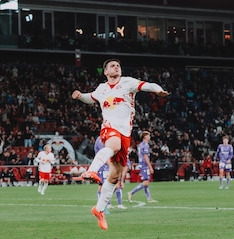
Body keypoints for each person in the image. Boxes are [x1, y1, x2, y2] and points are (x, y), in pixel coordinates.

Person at [71, 58, 169, 230]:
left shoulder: (128, 82)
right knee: (113, 145)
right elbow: (90, 98)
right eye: (112, 66)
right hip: (109, 128)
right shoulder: (102, 89)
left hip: (126, 133)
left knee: (115, 175)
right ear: (106, 72)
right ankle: (92, 171)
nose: (116, 67)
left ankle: (99, 209)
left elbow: (148, 85)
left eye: (118, 65)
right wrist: (80, 96)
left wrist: (159, 91)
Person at [127, 131, 158, 203]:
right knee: (146, 183)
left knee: (146, 182)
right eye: (148, 135)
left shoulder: (140, 145)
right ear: (145, 137)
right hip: (144, 165)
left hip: (141, 164)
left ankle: (149, 198)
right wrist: (150, 166)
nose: (149, 137)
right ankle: (131, 192)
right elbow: (145, 156)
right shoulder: (145, 145)